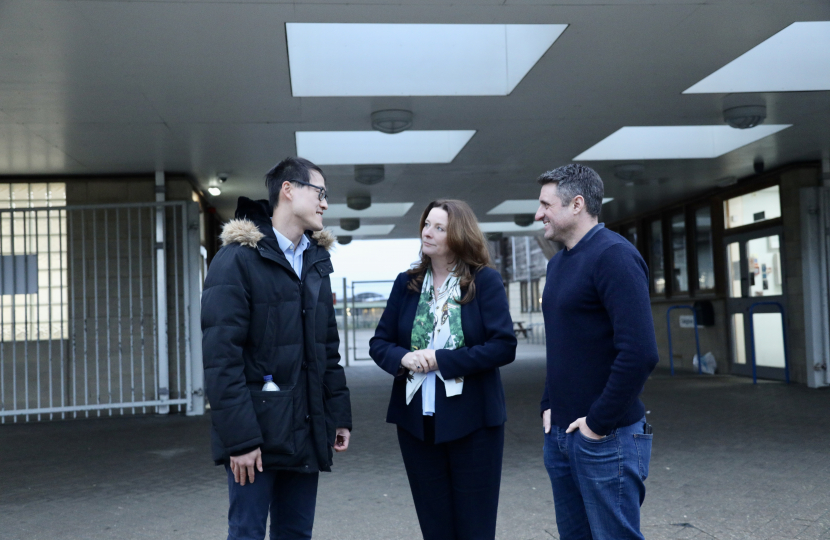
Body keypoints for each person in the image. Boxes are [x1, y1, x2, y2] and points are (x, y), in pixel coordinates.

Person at [201, 157, 352, 540]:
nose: (325, 204)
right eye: (320, 193)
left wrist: (338, 414)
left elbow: (327, 348)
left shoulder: (317, 261)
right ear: (289, 190)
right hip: (256, 435)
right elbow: (221, 359)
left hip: (306, 426)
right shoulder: (237, 259)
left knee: (296, 533)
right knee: (248, 532)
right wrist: (241, 440)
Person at [369, 199, 517, 540]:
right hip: (417, 426)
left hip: (474, 424)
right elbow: (379, 343)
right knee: (434, 526)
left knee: (474, 527)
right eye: (426, 224)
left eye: (439, 227)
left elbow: (503, 346)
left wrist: (442, 360)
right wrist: (402, 358)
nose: (428, 232)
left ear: (459, 235)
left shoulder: (484, 281)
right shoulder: (406, 284)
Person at [534, 163, 659, 540]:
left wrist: (596, 425)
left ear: (576, 204)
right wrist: (548, 404)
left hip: (608, 439)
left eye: (545, 205)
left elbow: (639, 353)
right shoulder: (558, 265)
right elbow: (563, 345)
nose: (538, 214)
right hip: (561, 435)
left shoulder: (614, 256)